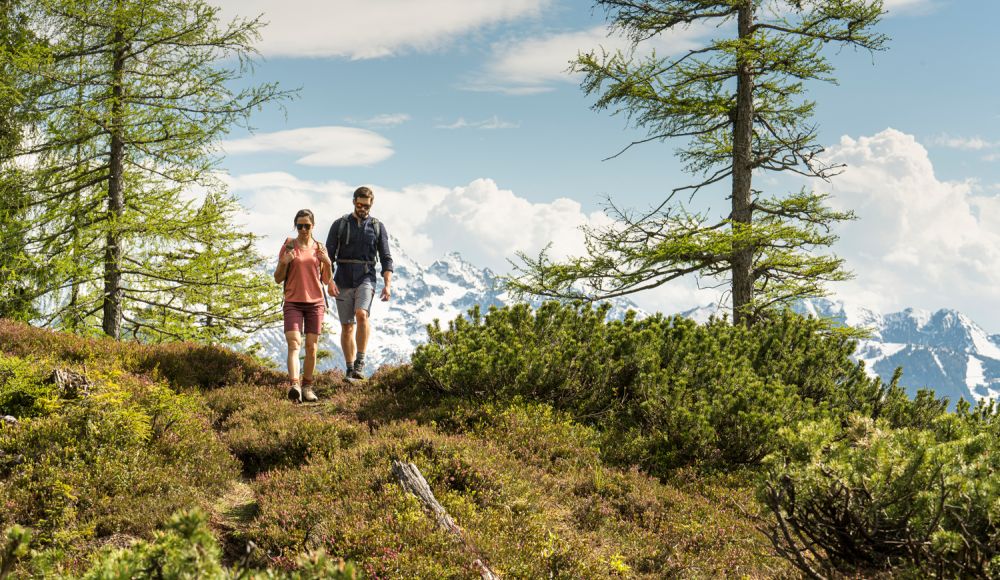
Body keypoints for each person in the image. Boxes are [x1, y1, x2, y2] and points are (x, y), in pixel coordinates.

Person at [326, 187, 393, 379]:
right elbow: (328, 257)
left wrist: (387, 285)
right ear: (353, 201)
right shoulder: (339, 225)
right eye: (359, 204)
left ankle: (360, 362)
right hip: (342, 279)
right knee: (347, 326)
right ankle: (349, 369)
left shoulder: (377, 227)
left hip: (366, 277)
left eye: (366, 205)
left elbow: (386, 258)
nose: (362, 208)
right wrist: (329, 281)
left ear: (372, 205)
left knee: (362, 315)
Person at [274, 209, 332, 402]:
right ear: (296, 226)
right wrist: (284, 262)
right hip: (293, 302)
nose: (303, 229)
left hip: (315, 303)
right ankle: (294, 384)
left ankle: (308, 387)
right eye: (300, 226)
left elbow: (326, 280)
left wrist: (328, 264)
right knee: (294, 344)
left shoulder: (320, 249)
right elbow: (277, 278)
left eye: (307, 225)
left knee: (312, 347)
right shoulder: (289, 247)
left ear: (313, 226)